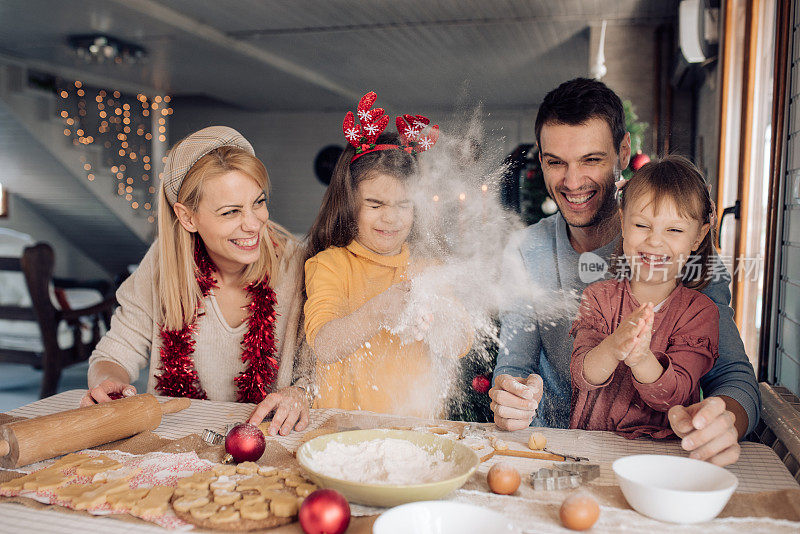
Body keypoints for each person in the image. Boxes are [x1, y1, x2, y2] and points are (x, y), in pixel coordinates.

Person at [491, 78, 760, 466]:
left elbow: (733, 376)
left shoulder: (680, 251)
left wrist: (723, 423)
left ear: (622, 151)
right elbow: (514, 366)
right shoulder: (523, 250)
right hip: (552, 454)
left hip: (657, 459)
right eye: (555, 162)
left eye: (591, 159)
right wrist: (512, 395)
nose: (572, 181)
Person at [83, 126, 313, 436]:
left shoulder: (298, 266)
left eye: (258, 202)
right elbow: (112, 355)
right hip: (174, 443)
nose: (254, 223)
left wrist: (300, 393)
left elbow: (321, 370)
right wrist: (107, 383)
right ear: (188, 217)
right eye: (231, 212)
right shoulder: (161, 265)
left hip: (271, 442)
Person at [303, 92, 470, 418]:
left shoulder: (426, 268)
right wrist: (377, 312)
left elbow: (459, 342)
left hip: (413, 432)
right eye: (375, 205)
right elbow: (323, 346)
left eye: (404, 205)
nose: (391, 218)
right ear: (349, 203)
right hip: (342, 432)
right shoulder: (330, 266)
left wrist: (435, 317)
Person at [570, 156, 718, 438]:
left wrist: (640, 358)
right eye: (642, 225)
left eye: (674, 230)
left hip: (663, 458)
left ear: (698, 237)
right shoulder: (598, 298)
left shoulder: (700, 312)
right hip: (590, 449)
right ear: (623, 223)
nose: (655, 241)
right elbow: (582, 375)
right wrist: (614, 346)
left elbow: (673, 397)